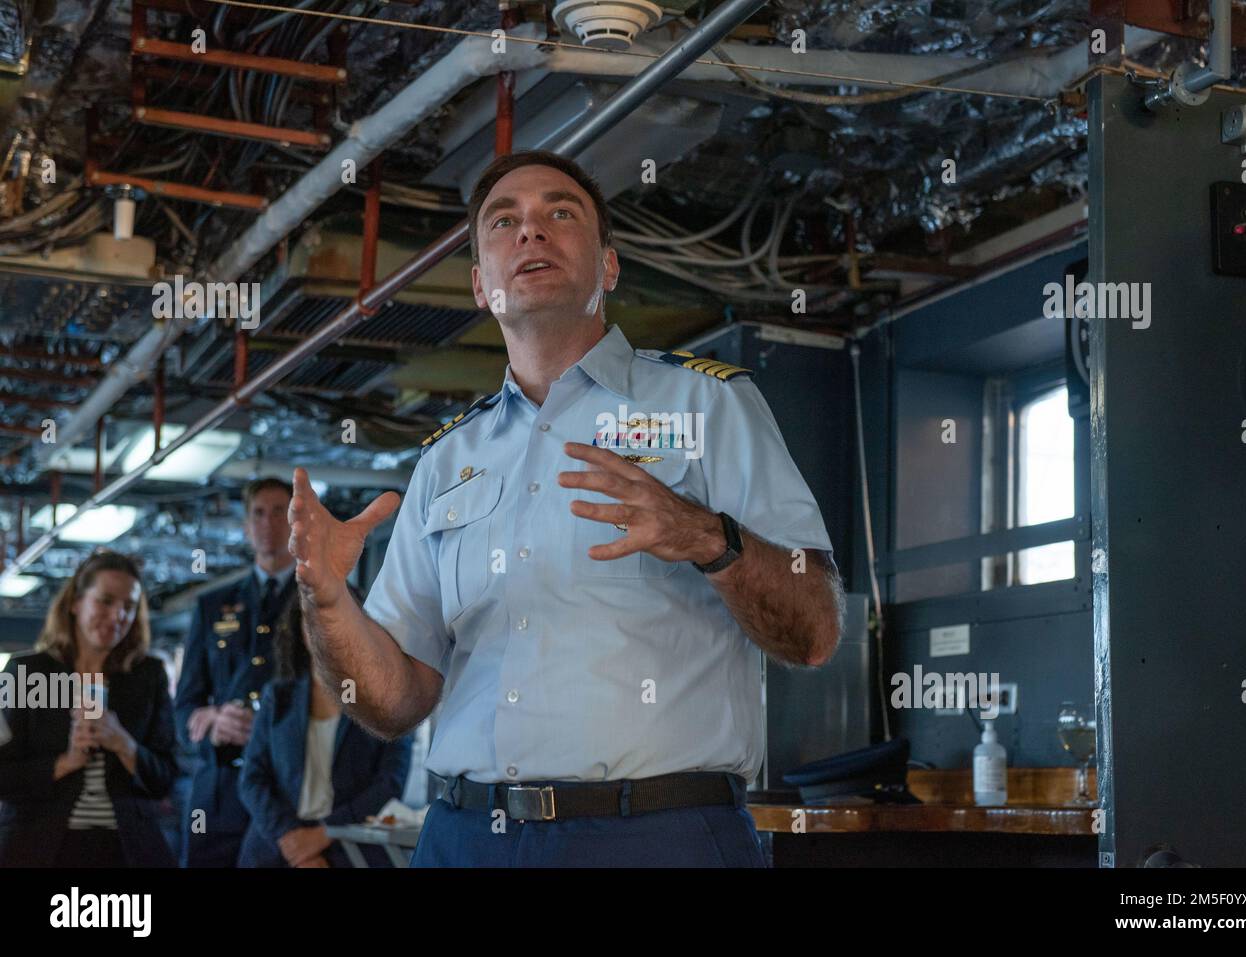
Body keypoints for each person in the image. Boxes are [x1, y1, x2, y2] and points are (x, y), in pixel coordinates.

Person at [288, 149, 846, 867]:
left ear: (608, 267)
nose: (531, 232)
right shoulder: (444, 461)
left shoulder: (706, 405)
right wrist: (330, 607)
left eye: (560, 212)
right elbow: (394, 702)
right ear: (480, 285)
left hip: (655, 837)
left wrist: (706, 536)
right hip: (464, 839)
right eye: (503, 221)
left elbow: (817, 631)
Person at [0, 550, 178, 867]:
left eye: (129, 606)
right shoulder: (26, 672)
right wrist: (64, 763)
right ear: (75, 603)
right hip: (40, 845)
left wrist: (123, 743)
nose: (117, 615)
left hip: (126, 848)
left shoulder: (148, 675)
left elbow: (166, 777)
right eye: (106, 601)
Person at [237, 585, 411, 868]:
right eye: (311, 617)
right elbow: (252, 780)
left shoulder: (385, 700)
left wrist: (326, 833)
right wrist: (293, 840)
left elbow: (390, 783)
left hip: (353, 849)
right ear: (300, 628)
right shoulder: (277, 698)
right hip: (277, 848)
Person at [174, 477, 297, 867]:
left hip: (288, 790)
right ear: (246, 527)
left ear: (298, 522)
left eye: (281, 512)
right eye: (258, 513)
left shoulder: (322, 601)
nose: (269, 523)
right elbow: (183, 711)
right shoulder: (213, 606)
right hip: (219, 792)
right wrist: (208, 720)